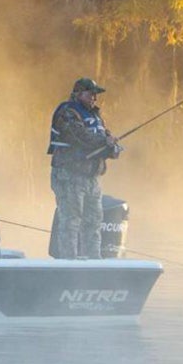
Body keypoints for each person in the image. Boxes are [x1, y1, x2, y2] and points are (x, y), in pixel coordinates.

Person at [47, 76, 122, 259]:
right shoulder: (67, 112)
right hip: (69, 176)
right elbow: (80, 137)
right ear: (78, 93)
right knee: (71, 220)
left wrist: (113, 147)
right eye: (91, 94)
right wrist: (105, 141)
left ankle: (93, 261)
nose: (94, 98)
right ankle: (68, 261)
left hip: (92, 179)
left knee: (94, 222)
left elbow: (107, 142)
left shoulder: (96, 117)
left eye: (96, 95)